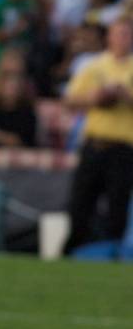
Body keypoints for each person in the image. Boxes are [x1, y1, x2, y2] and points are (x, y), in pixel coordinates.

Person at [62, 17, 133, 255]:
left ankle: (112, 251)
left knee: (117, 205)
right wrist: (96, 97)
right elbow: (70, 99)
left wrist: (125, 96)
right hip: (95, 144)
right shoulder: (94, 66)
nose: (123, 38)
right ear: (109, 37)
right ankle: (73, 249)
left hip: (123, 147)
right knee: (80, 201)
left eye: (127, 33)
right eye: (119, 33)